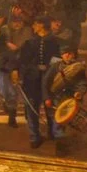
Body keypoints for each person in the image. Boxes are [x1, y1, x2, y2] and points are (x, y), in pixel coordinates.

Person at [16, 19, 63, 147]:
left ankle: (53, 133)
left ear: (41, 25)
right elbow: (22, 61)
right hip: (32, 80)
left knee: (51, 107)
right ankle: (34, 137)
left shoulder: (57, 42)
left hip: (51, 80)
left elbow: (59, 60)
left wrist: (48, 68)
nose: (33, 26)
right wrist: (23, 72)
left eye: (35, 24)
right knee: (32, 109)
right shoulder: (29, 43)